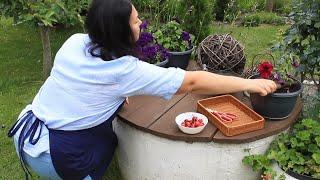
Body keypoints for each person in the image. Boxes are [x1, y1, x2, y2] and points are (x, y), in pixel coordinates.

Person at [7, 0, 277, 179]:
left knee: (107, 138)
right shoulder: (123, 72)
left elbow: (82, 84)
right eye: (136, 21)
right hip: (53, 155)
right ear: (119, 31)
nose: (141, 24)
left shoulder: (74, 42)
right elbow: (193, 82)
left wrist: (115, 92)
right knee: (104, 144)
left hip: (25, 131)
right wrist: (249, 83)